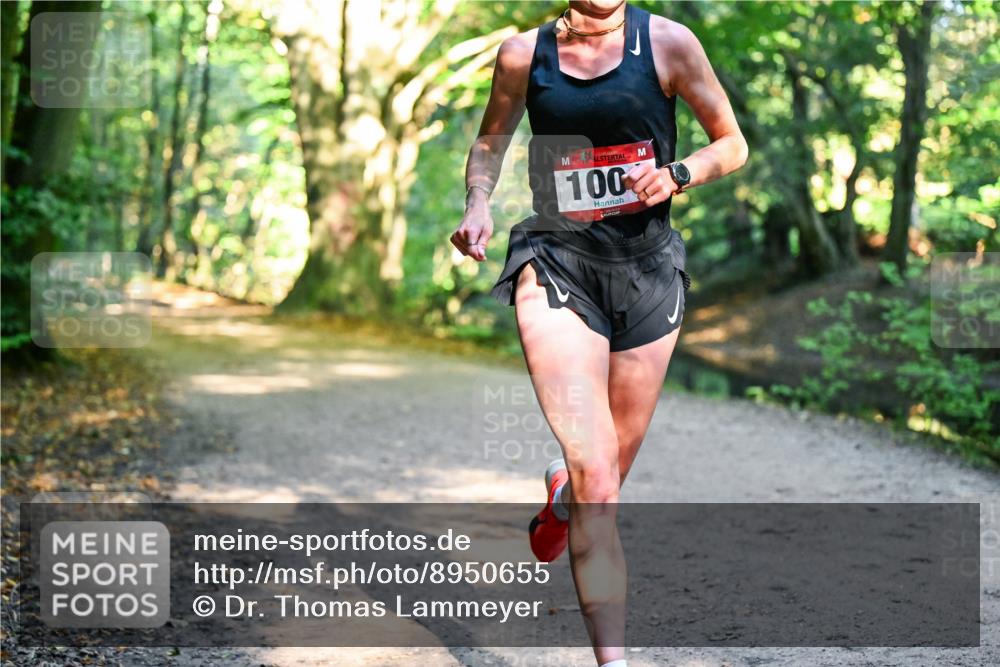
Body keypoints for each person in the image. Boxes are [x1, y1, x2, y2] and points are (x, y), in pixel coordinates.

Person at [450, 2, 747, 665]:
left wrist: (677, 173)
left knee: (598, 483)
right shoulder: (523, 55)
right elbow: (491, 141)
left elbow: (732, 142)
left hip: (647, 272)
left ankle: (565, 494)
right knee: (601, 486)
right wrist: (477, 201)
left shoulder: (668, 43)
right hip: (556, 263)